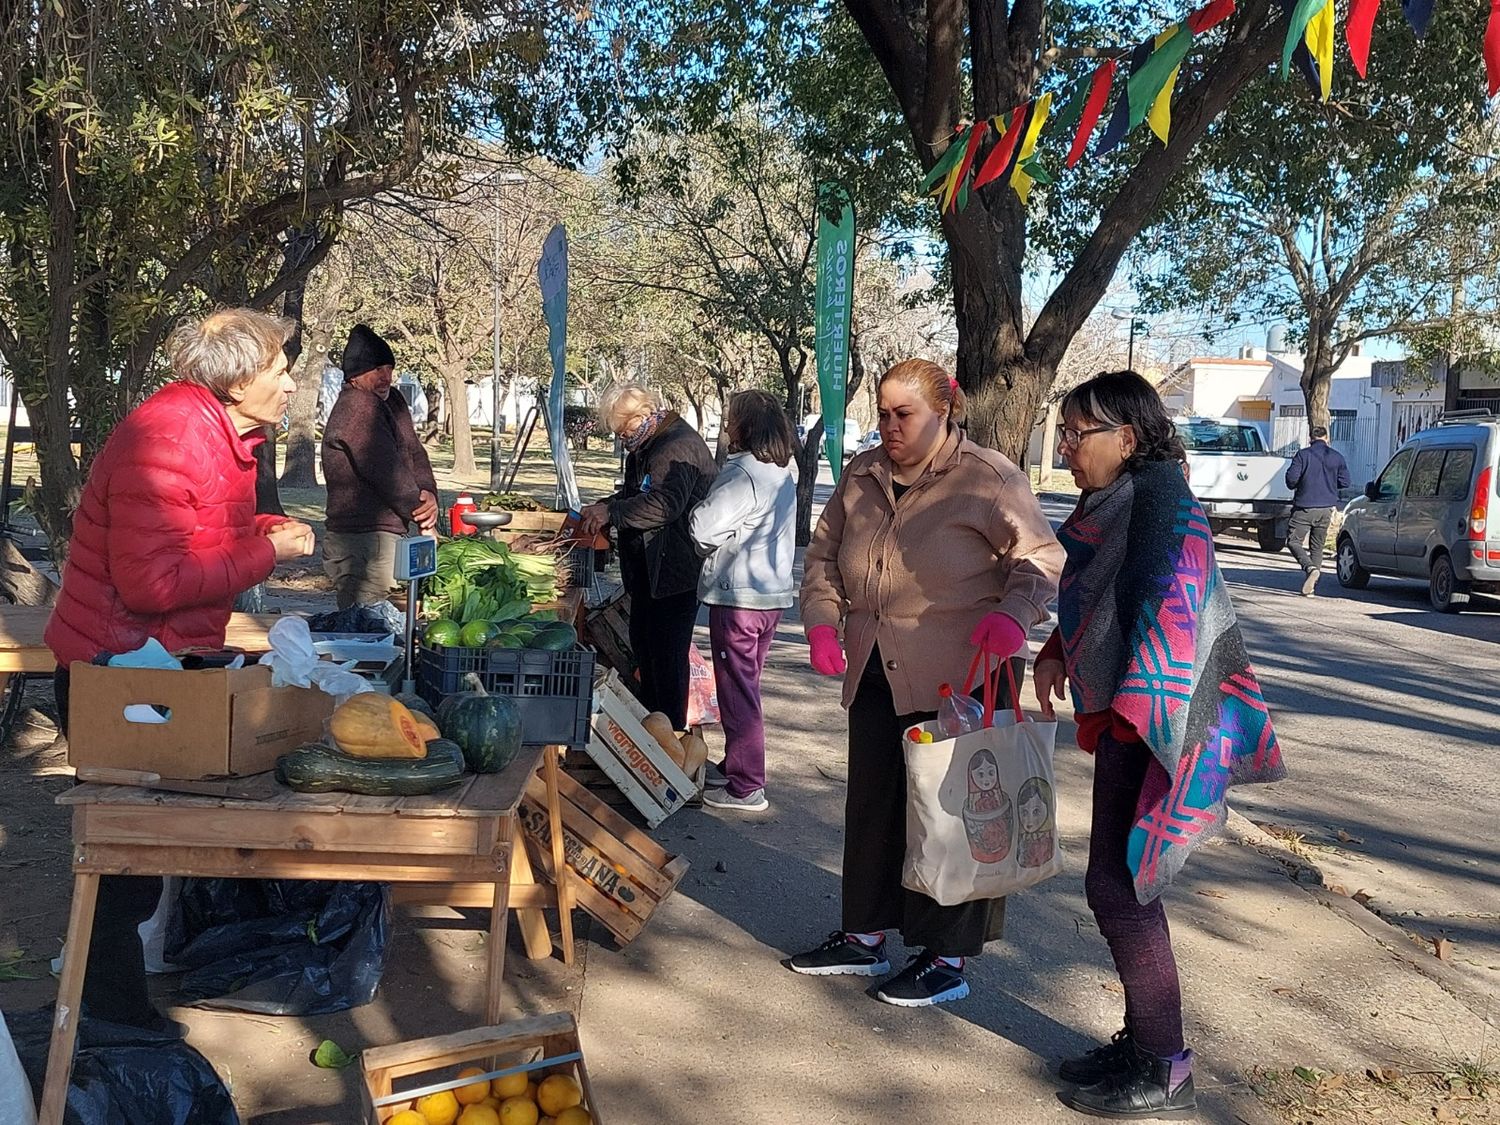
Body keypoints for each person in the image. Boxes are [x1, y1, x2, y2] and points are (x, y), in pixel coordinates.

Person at [45, 307, 317, 1032]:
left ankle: (110, 1005)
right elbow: (151, 585)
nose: (290, 381)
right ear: (236, 378)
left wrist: (261, 529)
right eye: (280, 368)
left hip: (149, 666)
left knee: (136, 856)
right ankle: (111, 1023)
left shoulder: (216, 433)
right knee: (119, 856)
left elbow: (198, 531)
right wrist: (270, 554)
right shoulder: (169, 436)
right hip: (116, 672)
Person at [1034, 370, 1287, 1118]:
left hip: (1157, 717)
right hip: (1130, 714)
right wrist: (1058, 646)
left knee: (1124, 888)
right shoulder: (1113, 502)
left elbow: (1173, 612)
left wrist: (1152, 708)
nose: (1068, 447)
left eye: (1080, 434)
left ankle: (1166, 1061)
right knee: (1116, 886)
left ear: (1129, 437)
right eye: (1065, 433)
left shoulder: (1159, 504)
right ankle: (1146, 1042)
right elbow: (1104, 599)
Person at [794, 358, 1064, 1008]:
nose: (889, 425)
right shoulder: (861, 474)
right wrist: (823, 624)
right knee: (875, 808)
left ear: (947, 409)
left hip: (963, 678)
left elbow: (1042, 559)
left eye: (903, 413)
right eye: (883, 412)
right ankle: (863, 935)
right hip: (877, 669)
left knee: (952, 818)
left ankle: (945, 957)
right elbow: (825, 555)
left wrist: (1013, 613)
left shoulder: (988, 478)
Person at [579, 384, 717, 728]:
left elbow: (663, 505)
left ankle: (670, 736)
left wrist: (613, 513)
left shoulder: (676, 447)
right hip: (648, 573)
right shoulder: (646, 445)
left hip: (672, 573)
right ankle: (651, 730)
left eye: (623, 429)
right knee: (645, 650)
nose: (622, 438)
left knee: (666, 661)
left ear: (643, 415)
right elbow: (635, 493)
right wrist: (609, 507)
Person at [688, 390, 797, 812]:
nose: (725, 426)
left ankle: (747, 785)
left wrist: (699, 508)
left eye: (729, 419)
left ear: (743, 427)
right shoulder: (782, 471)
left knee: (738, 691)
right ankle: (739, 768)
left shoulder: (744, 474)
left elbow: (703, 528)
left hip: (739, 598)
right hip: (769, 596)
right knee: (745, 687)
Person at [321, 324, 439, 608]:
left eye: (389, 368)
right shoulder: (357, 406)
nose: (386, 377)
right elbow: (386, 470)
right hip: (362, 540)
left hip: (386, 535)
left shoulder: (392, 401)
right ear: (355, 376)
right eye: (377, 370)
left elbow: (414, 451)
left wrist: (429, 493)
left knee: (390, 623)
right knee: (367, 628)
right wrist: (420, 512)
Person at [1285, 424, 1350, 597]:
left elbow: (1291, 480)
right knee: (1317, 546)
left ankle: (1310, 568)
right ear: (1327, 438)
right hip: (1326, 508)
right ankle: (1312, 586)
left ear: (1310, 438)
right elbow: (1345, 482)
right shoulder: (1337, 457)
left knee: (1293, 541)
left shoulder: (1303, 455)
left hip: (1304, 508)